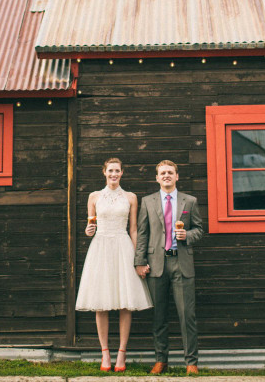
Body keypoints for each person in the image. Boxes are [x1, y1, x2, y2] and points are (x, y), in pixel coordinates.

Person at [75, 158, 152, 372]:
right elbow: (90, 225)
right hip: (100, 247)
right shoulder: (94, 197)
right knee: (101, 302)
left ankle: (122, 353)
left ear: (122, 173)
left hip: (122, 246)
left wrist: (139, 258)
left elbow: (134, 229)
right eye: (110, 170)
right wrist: (88, 231)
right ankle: (105, 353)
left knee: (125, 302)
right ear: (104, 172)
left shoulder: (131, 197)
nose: (113, 174)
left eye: (117, 171)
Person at [135, 160, 203, 375]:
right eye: (162, 173)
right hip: (156, 265)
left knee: (187, 316)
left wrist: (188, 235)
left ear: (177, 176)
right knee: (159, 317)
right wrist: (139, 262)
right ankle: (160, 360)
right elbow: (143, 234)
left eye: (170, 172)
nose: (166, 176)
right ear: (157, 178)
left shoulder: (189, 201)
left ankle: (191, 362)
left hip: (181, 263)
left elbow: (199, 229)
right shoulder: (147, 202)